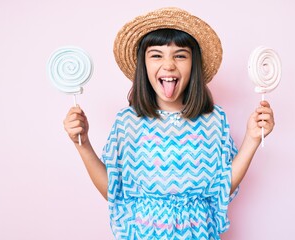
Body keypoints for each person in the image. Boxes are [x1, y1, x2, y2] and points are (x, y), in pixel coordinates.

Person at [63, 7, 275, 240]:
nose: (169, 64)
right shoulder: (127, 122)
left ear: (193, 64)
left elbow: (222, 187)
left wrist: (252, 139)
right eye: (156, 55)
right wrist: (81, 144)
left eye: (180, 55)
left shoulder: (214, 120)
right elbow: (113, 190)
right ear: (143, 65)